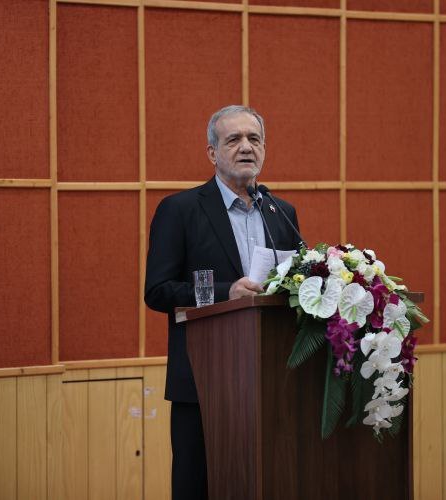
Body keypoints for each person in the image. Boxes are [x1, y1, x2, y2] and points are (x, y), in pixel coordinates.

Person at [144, 105, 304, 500]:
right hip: (204, 381)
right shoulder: (180, 210)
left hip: (271, 383)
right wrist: (225, 292)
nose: (246, 147)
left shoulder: (281, 213)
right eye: (234, 139)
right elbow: (159, 290)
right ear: (212, 153)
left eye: (254, 139)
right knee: (199, 487)